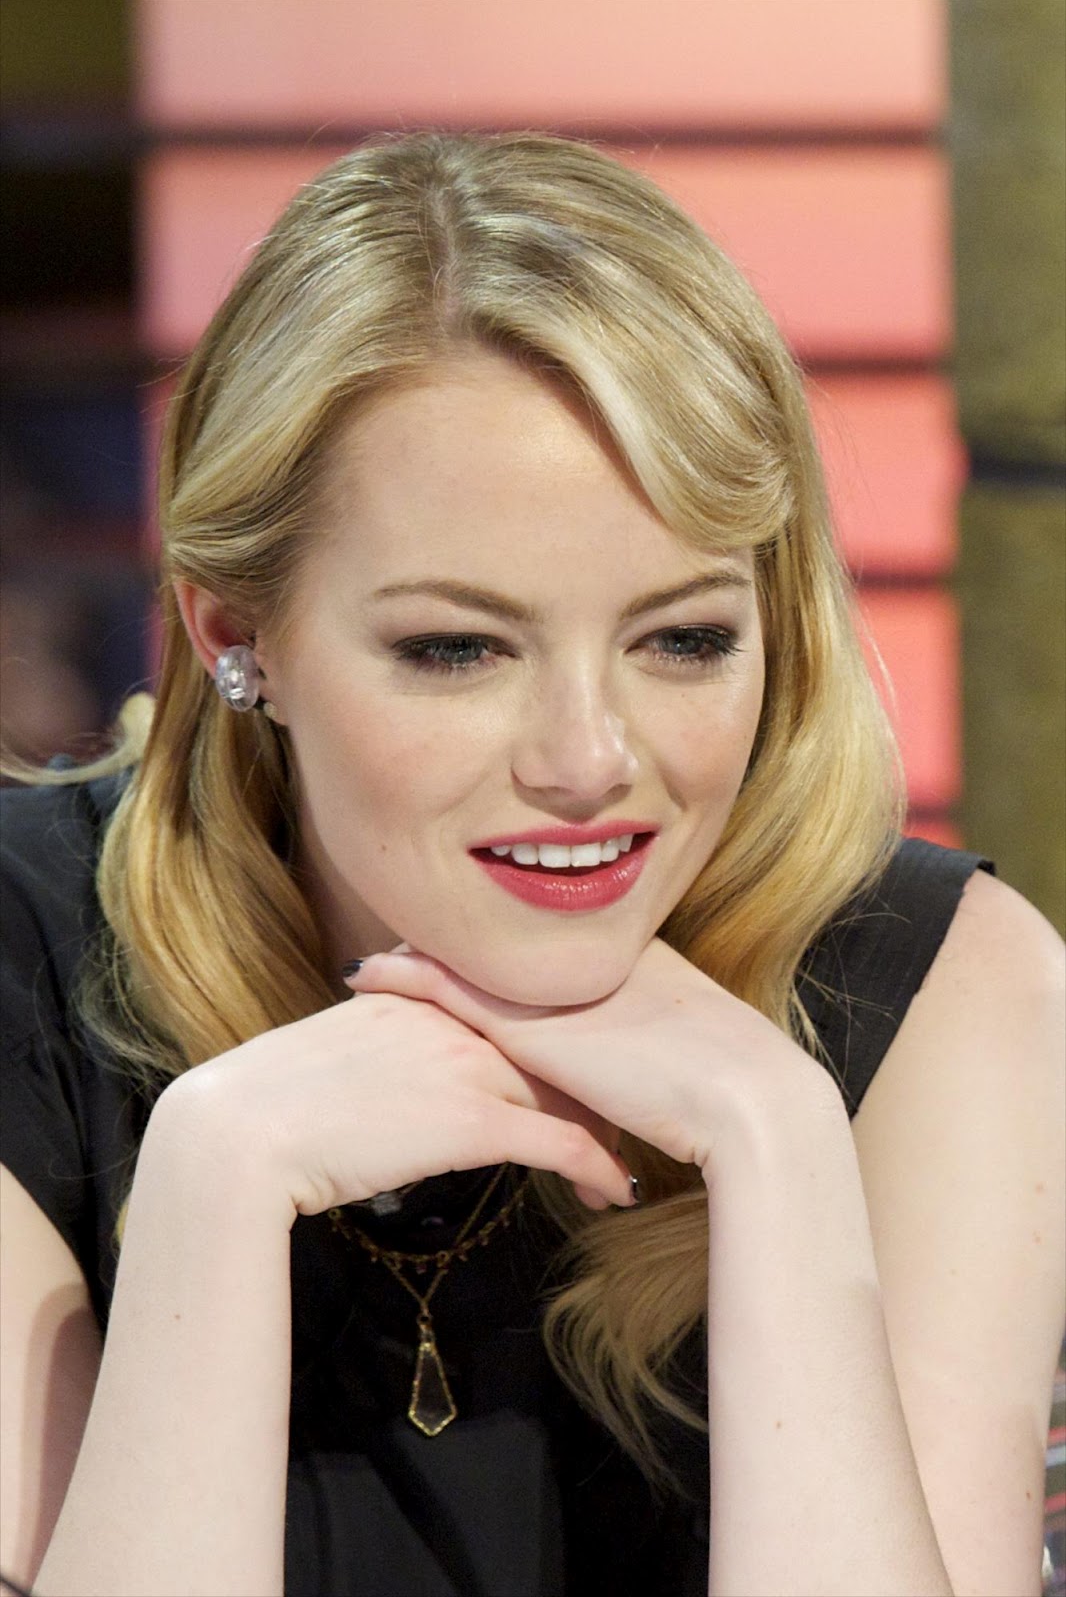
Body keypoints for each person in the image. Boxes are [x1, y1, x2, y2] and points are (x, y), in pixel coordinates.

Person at [0, 130, 1062, 1597]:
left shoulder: (952, 985)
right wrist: (215, 1179)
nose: (588, 759)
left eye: (682, 638)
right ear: (239, 639)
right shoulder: (23, 964)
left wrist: (777, 1143)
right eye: (457, 649)